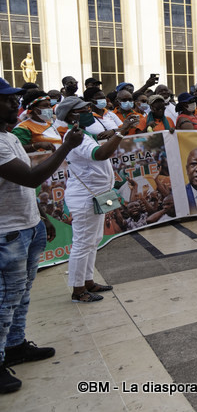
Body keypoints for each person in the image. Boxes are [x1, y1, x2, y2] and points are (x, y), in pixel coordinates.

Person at [0, 78, 85, 393]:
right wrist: (66, 147)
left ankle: (15, 345)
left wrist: (41, 216)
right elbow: (32, 176)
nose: (14, 104)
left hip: (27, 224)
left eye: (14, 99)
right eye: (6, 99)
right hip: (6, 233)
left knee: (21, 295)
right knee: (5, 299)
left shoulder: (7, 137)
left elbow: (20, 187)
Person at [56, 96, 140, 303]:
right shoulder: (75, 137)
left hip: (97, 195)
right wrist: (122, 130)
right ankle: (78, 290)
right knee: (82, 243)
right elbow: (101, 154)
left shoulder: (84, 134)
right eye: (84, 110)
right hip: (85, 198)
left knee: (93, 241)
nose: (89, 112)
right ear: (72, 115)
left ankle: (88, 281)